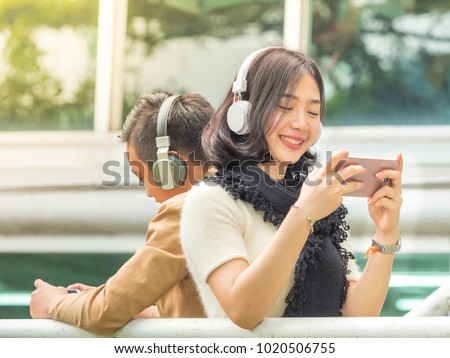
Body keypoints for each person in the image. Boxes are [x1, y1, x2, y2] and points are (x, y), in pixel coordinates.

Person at [180, 46, 403, 329]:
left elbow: (357, 316)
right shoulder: (210, 200)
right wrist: (303, 214)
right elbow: (243, 310)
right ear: (244, 111)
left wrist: (386, 234)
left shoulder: (316, 195)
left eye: (312, 111)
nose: (300, 123)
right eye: (285, 107)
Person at [30, 92, 214, 334]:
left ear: (170, 167)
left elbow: (105, 311)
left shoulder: (186, 211)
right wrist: (133, 307)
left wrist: (54, 303)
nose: (148, 192)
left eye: (142, 177)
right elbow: (203, 311)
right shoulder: (246, 193)